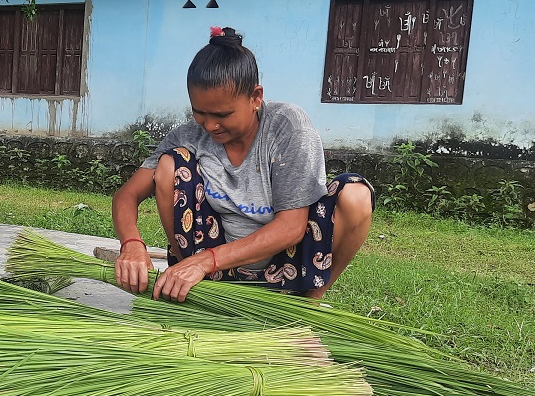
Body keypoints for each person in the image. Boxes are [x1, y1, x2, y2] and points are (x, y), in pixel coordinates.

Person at [111, 26, 374, 302]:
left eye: (222, 114)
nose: (210, 125)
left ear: (256, 97)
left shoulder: (288, 127)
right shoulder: (190, 136)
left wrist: (206, 260)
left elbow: (292, 227)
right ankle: (191, 286)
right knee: (168, 166)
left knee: (355, 196)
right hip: (213, 267)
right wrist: (131, 244)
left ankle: (310, 300)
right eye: (199, 113)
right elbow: (127, 194)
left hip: (288, 263)